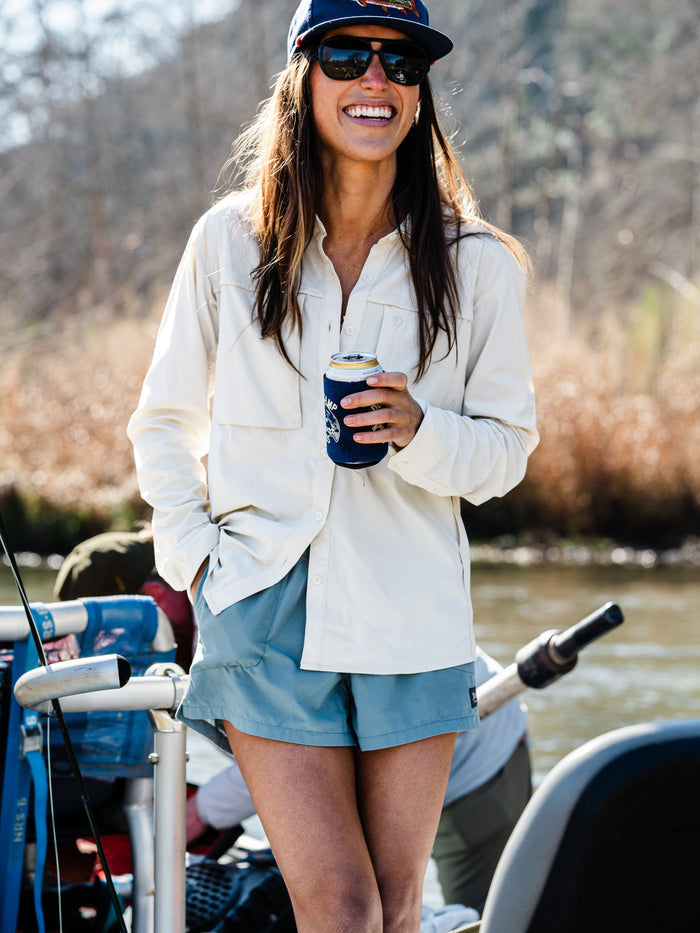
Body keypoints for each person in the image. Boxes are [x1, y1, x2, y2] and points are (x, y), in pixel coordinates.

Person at [127, 0, 538, 929]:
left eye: (400, 63)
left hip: (413, 616)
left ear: (420, 91)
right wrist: (200, 566)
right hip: (262, 609)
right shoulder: (227, 244)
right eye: (347, 55)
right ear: (301, 76)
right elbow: (162, 423)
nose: (375, 81)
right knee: (343, 908)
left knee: (396, 911)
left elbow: (506, 455)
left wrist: (418, 426)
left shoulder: (479, 266)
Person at [187, 647, 532, 916]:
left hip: (479, 760)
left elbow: (291, 746)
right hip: (398, 739)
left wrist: (200, 810)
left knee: (482, 912)